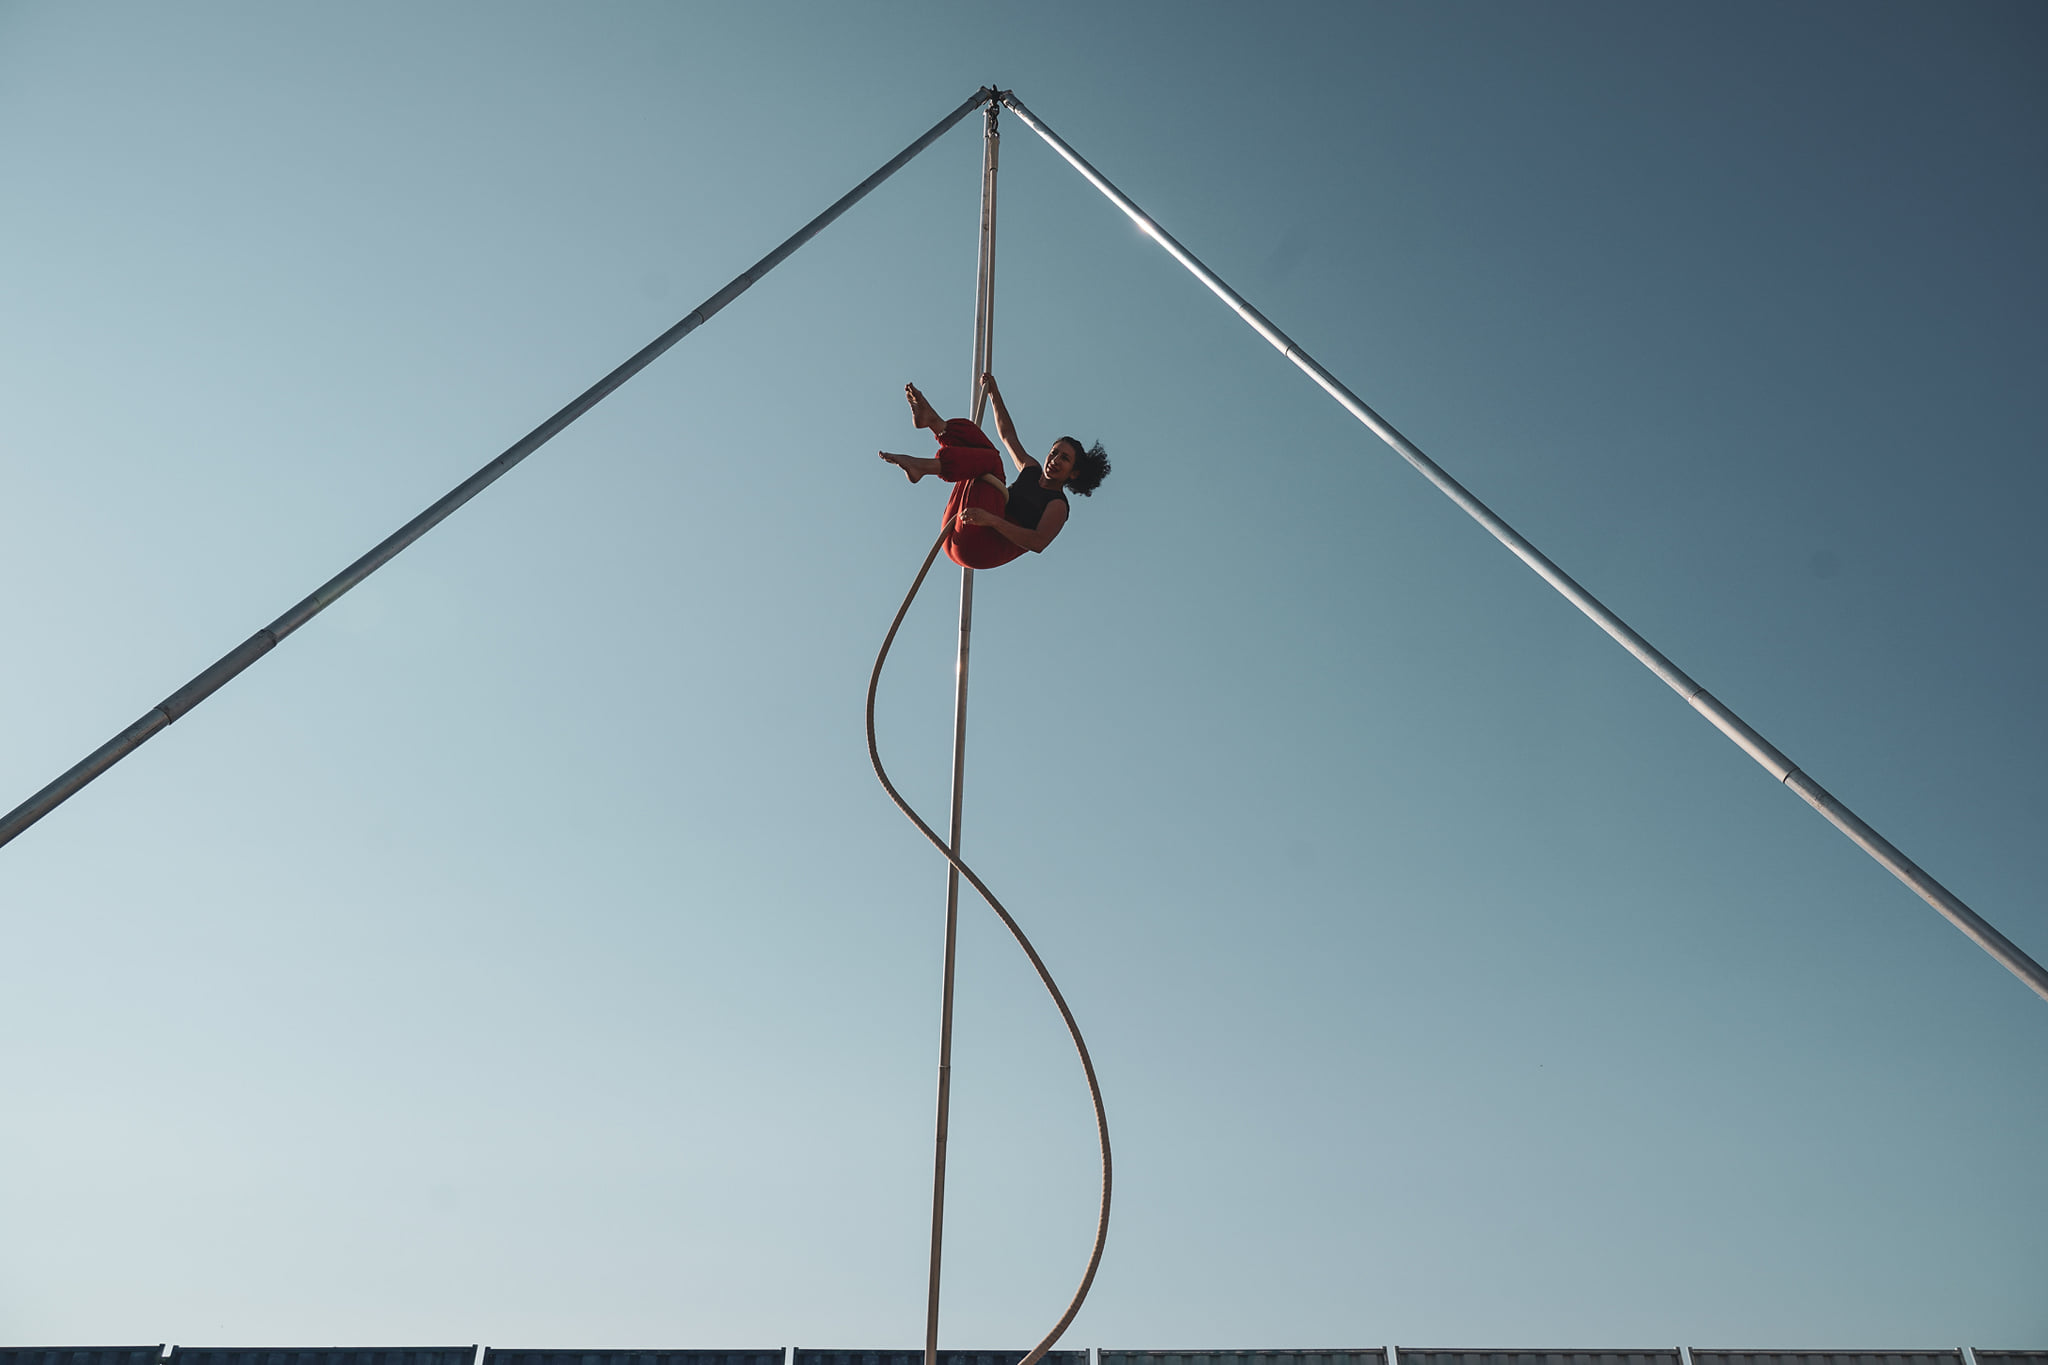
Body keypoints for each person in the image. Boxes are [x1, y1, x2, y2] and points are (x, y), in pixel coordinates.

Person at [879, 374, 1109, 570]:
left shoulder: (1058, 504)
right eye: (1054, 452)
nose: (1055, 460)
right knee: (981, 451)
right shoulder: (1031, 469)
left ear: (1074, 473)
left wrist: (992, 520)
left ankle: (925, 460)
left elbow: (1038, 542)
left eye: (1065, 458)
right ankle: (935, 423)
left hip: (978, 546)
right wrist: (994, 393)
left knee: (991, 462)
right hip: (959, 524)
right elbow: (1008, 435)